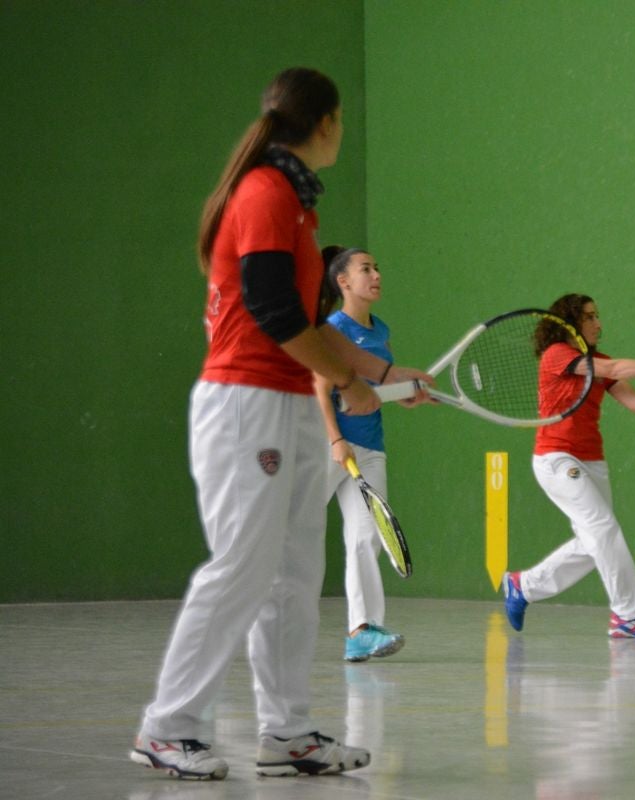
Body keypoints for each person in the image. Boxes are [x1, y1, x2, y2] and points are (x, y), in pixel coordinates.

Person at [131, 68, 432, 781]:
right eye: (341, 122)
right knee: (242, 566)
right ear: (323, 123)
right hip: (246, 404)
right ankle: (168, 727)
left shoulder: (295, 202)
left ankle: (287, 732)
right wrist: (351, 382)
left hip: (289, 403)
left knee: (296, 570)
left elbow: (311, 329)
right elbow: (272, 311)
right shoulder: (265, 191)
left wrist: (386, 379)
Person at [501, 293, 635, 639]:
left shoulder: (600, 359)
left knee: (595, 542)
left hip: (592, 460)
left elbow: (634, 402)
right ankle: (627, 616)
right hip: (556, 458)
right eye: (589, 317)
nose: (598, 324)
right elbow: (612, 369)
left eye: (597, 316)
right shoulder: (558, 355)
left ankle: (523, 586)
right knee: (603, 530)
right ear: (570, 323)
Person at [315, 245, 405, 664]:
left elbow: (375, 388)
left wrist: (409, 394)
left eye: (377, 266)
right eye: (365, 268)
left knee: (366, 538)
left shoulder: (381, 331)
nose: (376, 274)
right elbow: (320, 386)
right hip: (326, 446)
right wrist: (334, 439)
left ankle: (362, 630)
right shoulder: (331, 327)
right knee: (286, 534)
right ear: (343, 281)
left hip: (370, 447)